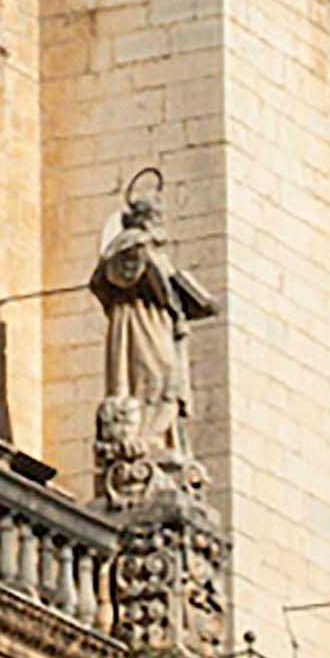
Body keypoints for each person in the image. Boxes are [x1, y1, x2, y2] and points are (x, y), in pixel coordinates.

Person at [90, 168, 214, 462]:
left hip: (160, 323)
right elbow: (113, 277)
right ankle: (143, 438)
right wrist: (157, 275)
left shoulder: (154, 252)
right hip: (139, 321)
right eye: (156, 217)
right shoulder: (132, 245)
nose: (161, 223)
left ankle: (158, 438)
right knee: (154, 377)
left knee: (168, 382)